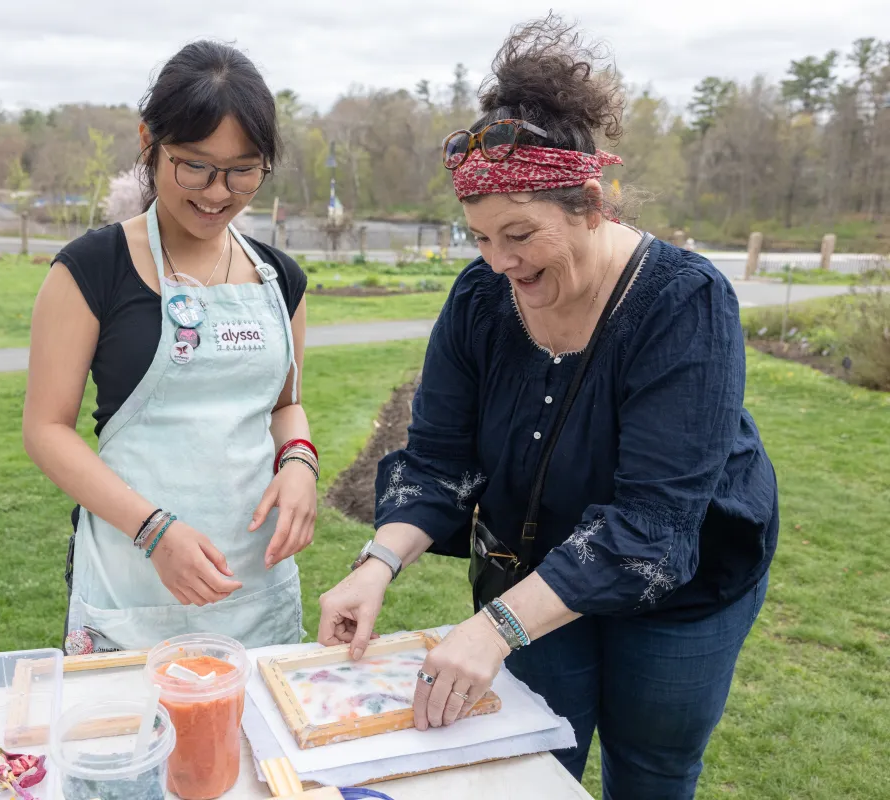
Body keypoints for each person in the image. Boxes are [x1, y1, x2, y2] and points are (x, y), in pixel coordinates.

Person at [317, 16, 778, 799]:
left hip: (684, 591)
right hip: (530, 570)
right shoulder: (479, 301)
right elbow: (437, 460)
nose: (500, 264)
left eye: (520, 235)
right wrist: (378, 563)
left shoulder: (685, 303)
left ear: (590, 204)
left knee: (654, 766)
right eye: (479, 238)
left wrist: (495, 628)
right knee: (530, 765)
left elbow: (651, 525)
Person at [23, 40, 318, 655]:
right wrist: (154, 531)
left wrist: (298, 463)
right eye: (195, 165)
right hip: (133, 580)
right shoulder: (90, 270)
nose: (218, 192)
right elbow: (47, 429)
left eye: (243, 169)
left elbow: (285, 405)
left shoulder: (280, 279)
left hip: (252, 583)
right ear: (148, 143)